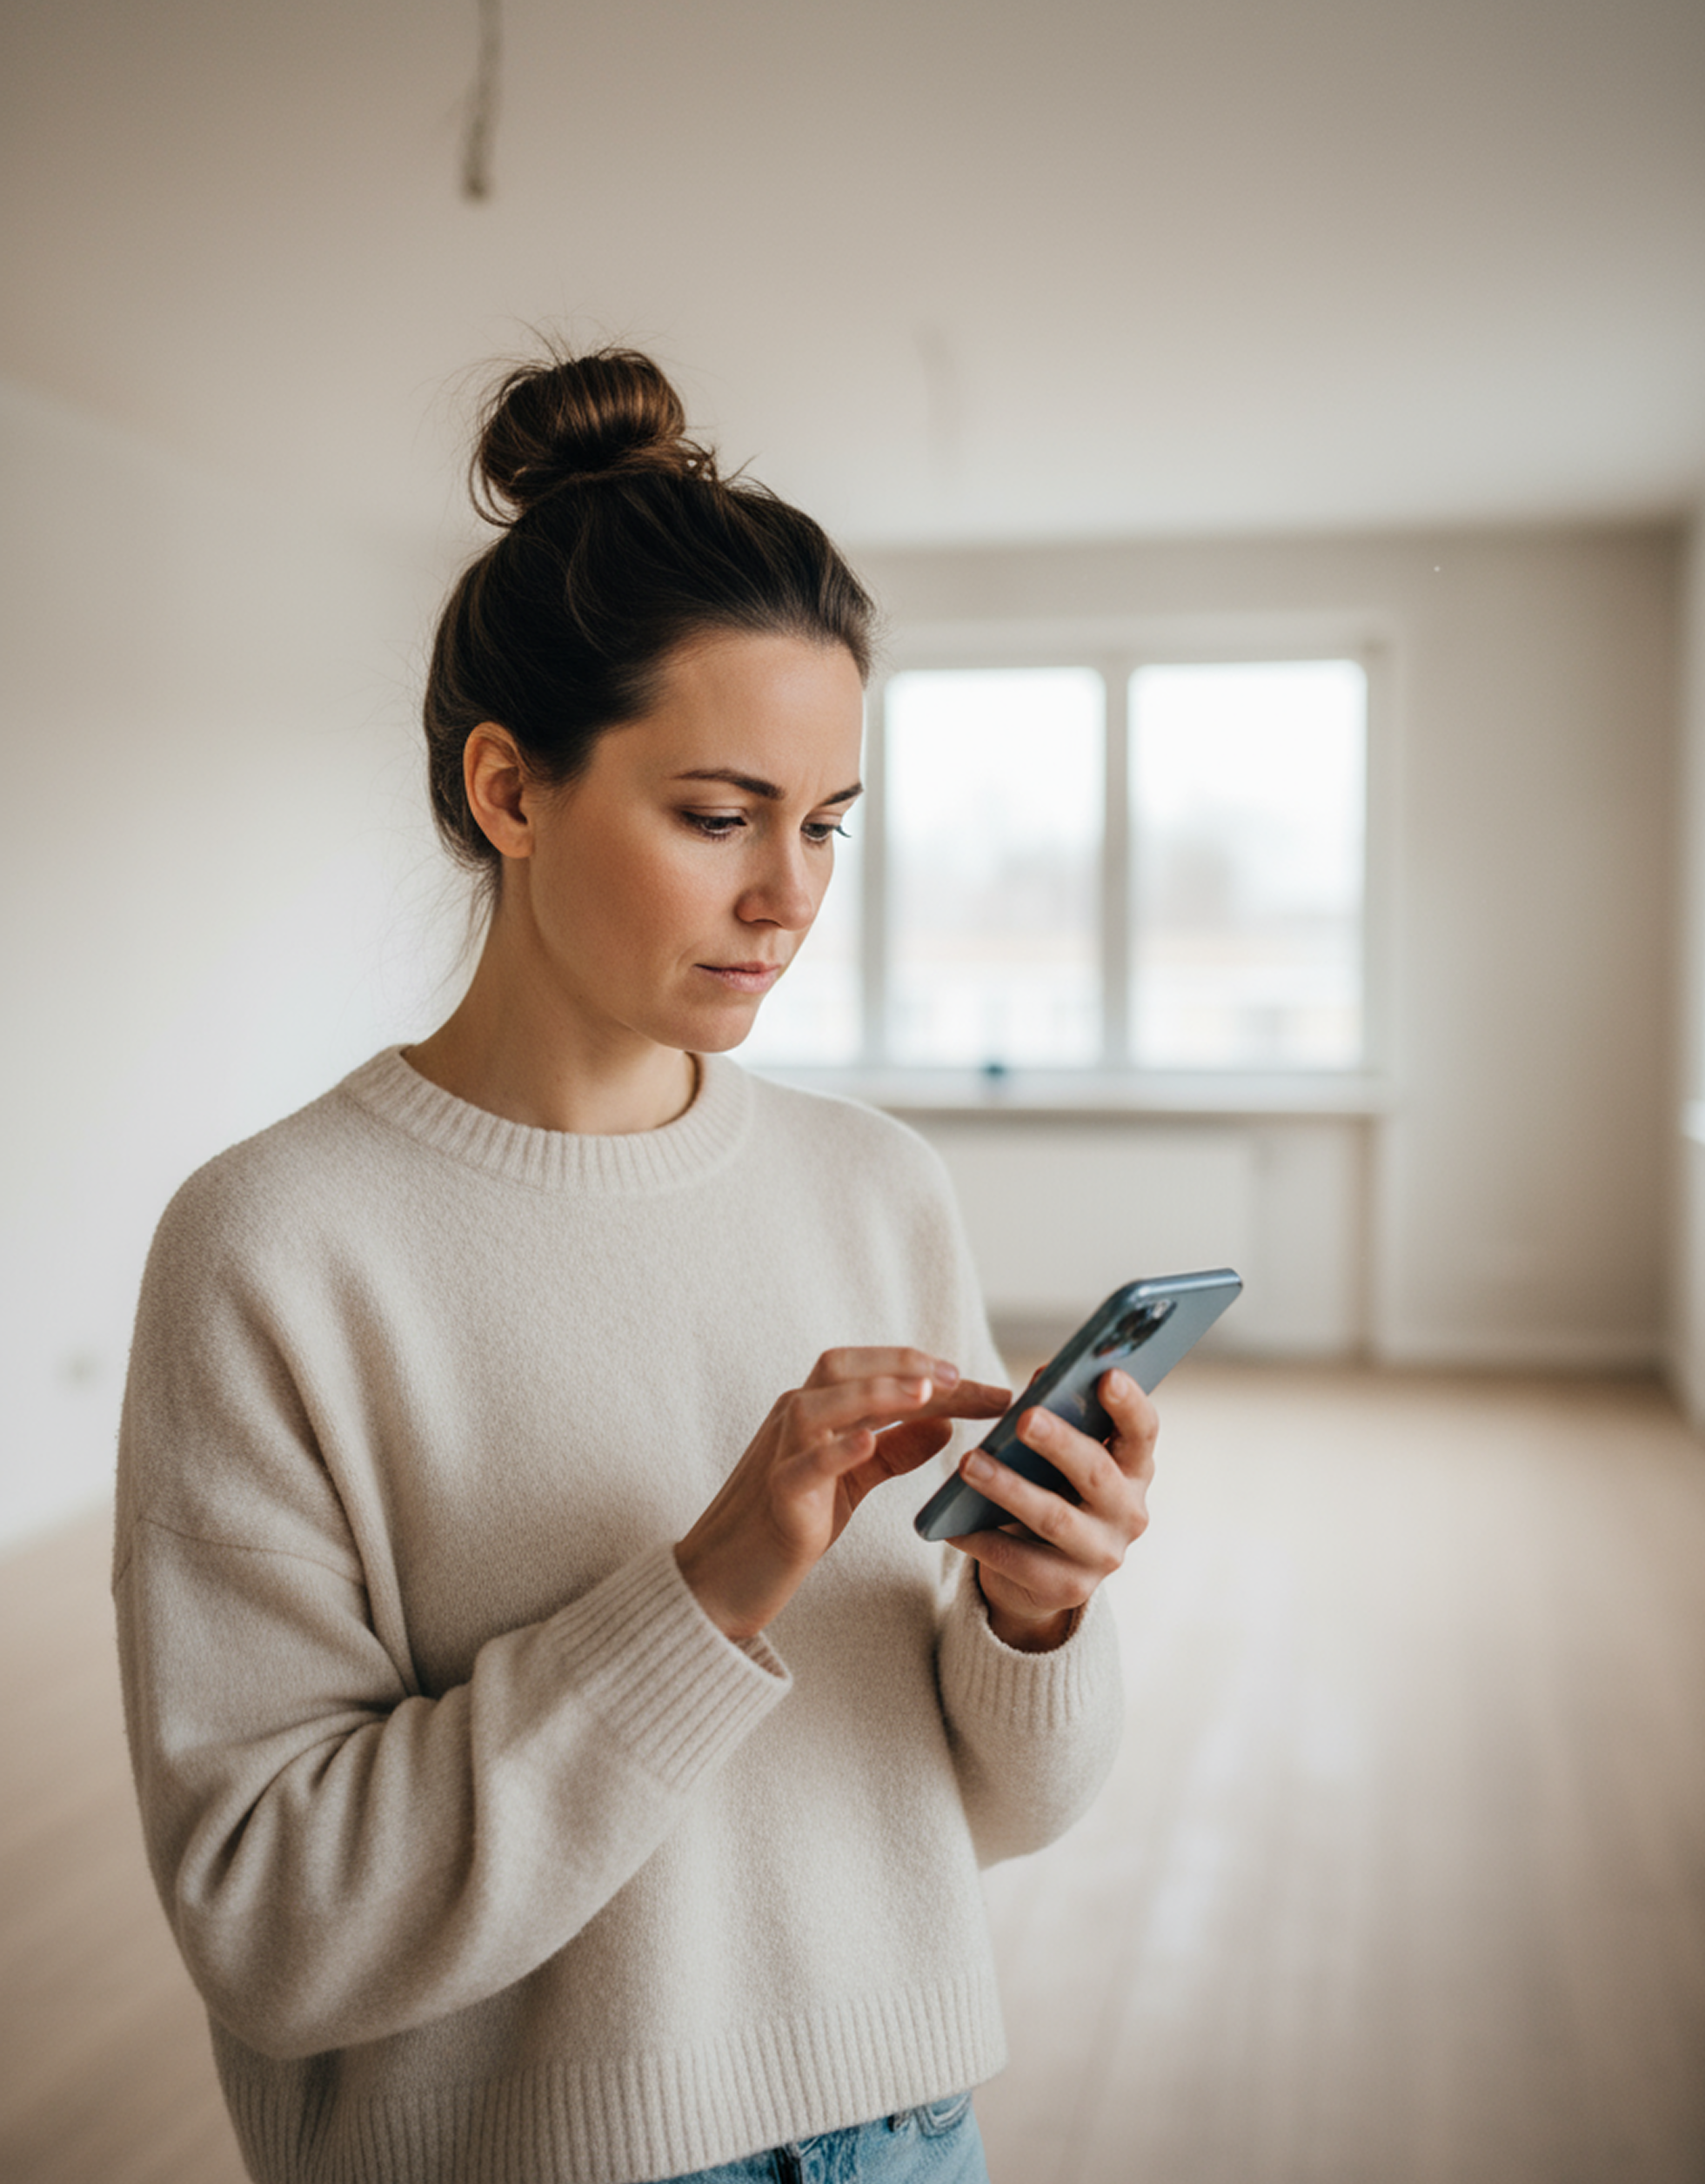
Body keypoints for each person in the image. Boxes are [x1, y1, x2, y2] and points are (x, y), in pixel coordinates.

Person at [113, 346, 1159, 2184]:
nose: (791, 895)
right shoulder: (274, 1247)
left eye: (826, 822)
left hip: (911, 2135)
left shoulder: (873, 1184)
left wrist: (1036, 1615)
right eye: (715, 813)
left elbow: (987, 1811)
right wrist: (704, 1590)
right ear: (508, 790)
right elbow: (273, 1926)